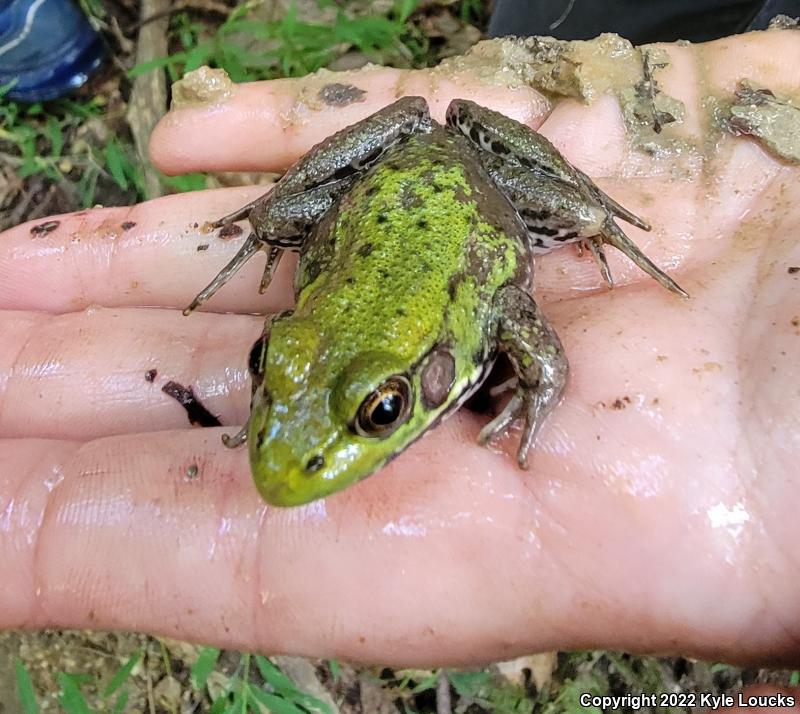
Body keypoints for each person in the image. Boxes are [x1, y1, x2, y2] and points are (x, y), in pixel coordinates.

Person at [0, 28, 797, 669]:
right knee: (278, 214)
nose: (283, 439)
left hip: (468, 192)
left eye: (382, 409)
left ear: (424, 381)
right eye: (268, 365)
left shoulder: (469, 328)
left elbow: (539, 348)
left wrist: (538, 389)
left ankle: (585, 201)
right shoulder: (338, 340)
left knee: (581, 219)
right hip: (382, 190)